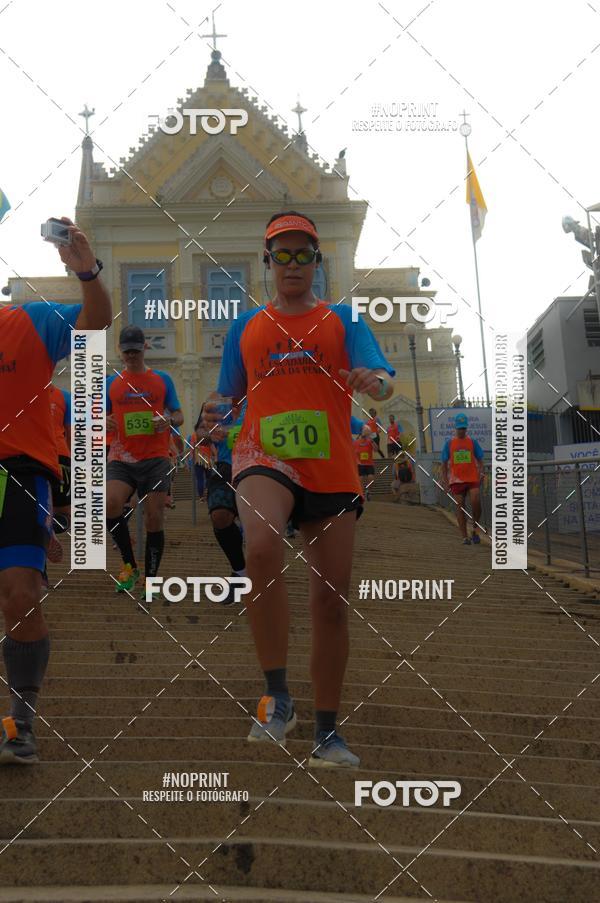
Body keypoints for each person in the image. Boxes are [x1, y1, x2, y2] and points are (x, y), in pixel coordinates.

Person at [206, 210, 394, 769]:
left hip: (331, 467)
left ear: (316, 261)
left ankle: (327, 732)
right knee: (260, 547)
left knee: (331, 599)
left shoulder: (343, 320)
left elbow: (383, 380)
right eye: (281, 254)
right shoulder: (245, 328)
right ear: (268, 262)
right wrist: (212, 417)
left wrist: (373, 382)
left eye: (302, 254)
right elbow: (227, 399)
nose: (292, 264)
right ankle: (277, 697)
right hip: (264, 456)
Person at [0, 216, 111, 764]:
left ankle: (20, 721)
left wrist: (86, 271)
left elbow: (95, 324)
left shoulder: (31, 319)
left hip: (20, 472)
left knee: (20, 594)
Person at [105, 325, 183, 599]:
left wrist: (169, 421)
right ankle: (129, 566)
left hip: (155, 458)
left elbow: (179, 414)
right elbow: (98, 417)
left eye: (136, 351)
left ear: (144, 348)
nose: (131, 356)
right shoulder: (111, 382)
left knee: (154, 518)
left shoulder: (162, 380)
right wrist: (105, 420)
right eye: (127, 352)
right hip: (122, 456)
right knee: (111, 503)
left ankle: (151, 579)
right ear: (120, 351)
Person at [200, 402, 246, 605]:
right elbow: (200, 431)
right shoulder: (218, 402)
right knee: (219, 517)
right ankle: (240, 572)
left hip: (263, 465)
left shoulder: (266, 396)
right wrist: (210, 434)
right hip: (226, 466)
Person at [441, 413, 485, 545]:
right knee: (460, 506)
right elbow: (443, 464)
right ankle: (465, 537)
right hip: (456, 480)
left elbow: (480, 460)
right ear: (455, 428)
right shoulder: (449, 443)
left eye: (464, 428)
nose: (461, 430)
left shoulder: (472, 442)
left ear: (466, 428)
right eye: (459, 428)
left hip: (472, 477)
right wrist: (445, 481)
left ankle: (475, 530)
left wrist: (481, 473)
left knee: (475, 500)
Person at [354, 425, 376, 501]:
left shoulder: (370, 441)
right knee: (360, 480)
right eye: (364, 432)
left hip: (369, 464)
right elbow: (352, 452)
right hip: (360, 464)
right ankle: (361, 494)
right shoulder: (356, 442)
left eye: (366, 432)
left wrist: (372, 440)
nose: (365, 434)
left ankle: (368, 492)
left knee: (371, 478)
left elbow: (376, 449)